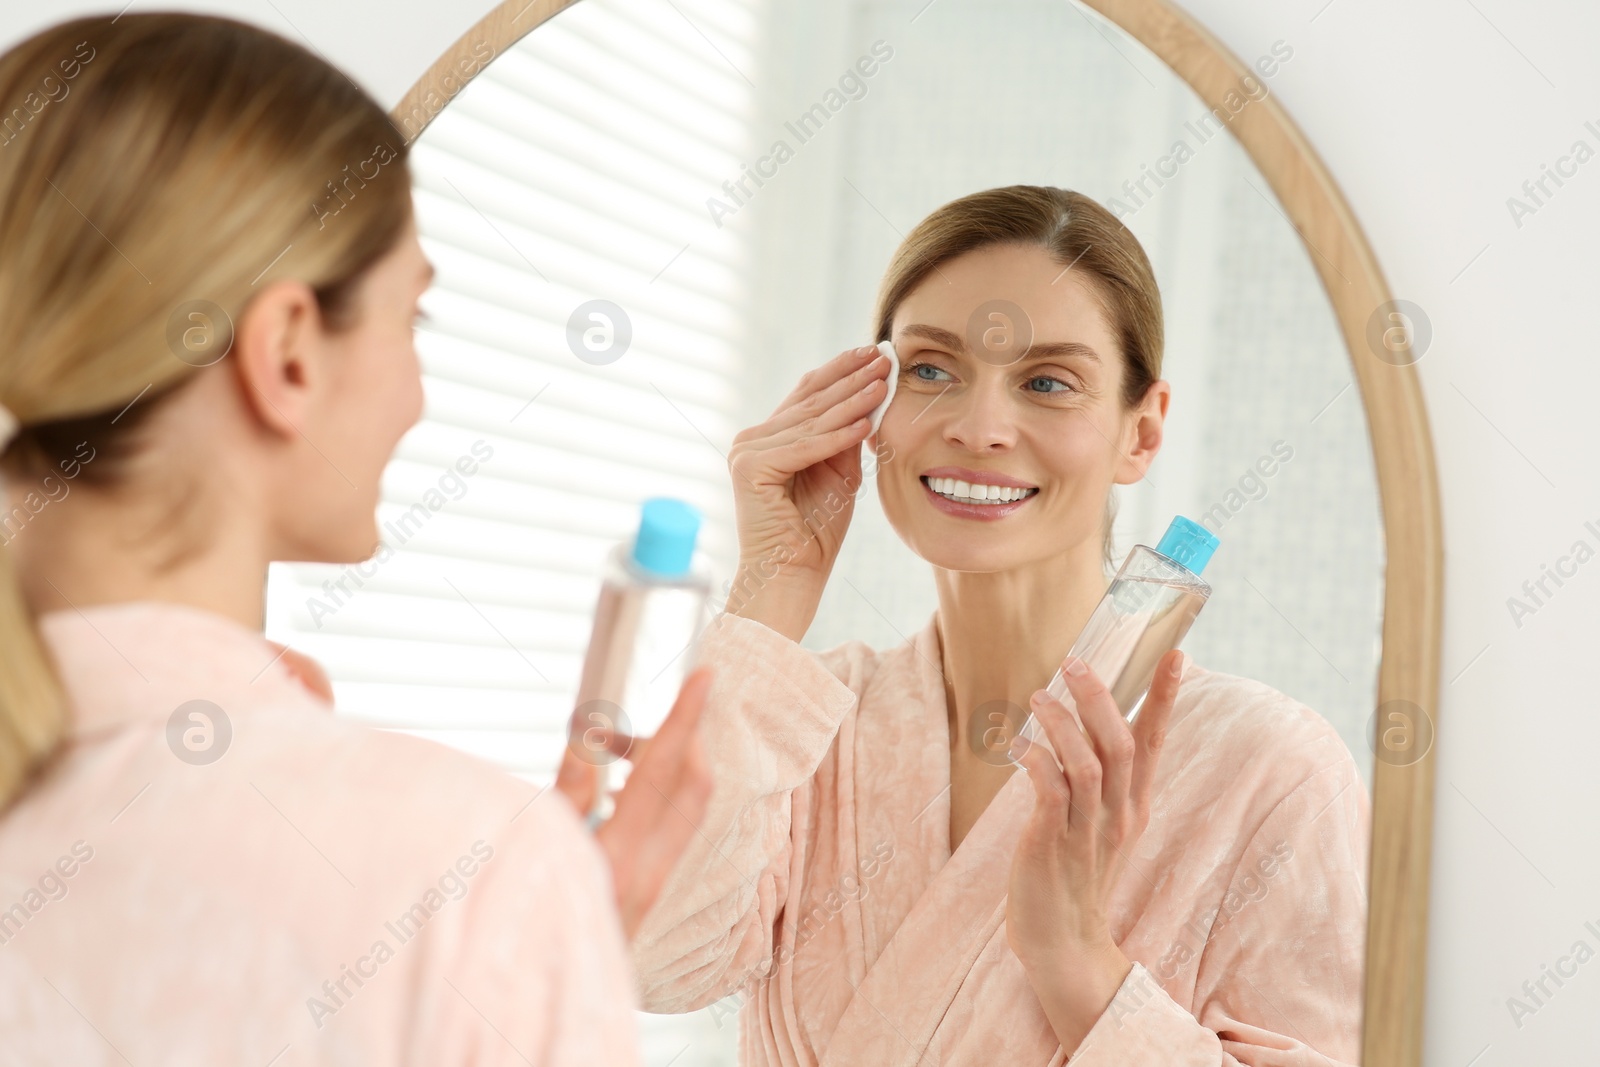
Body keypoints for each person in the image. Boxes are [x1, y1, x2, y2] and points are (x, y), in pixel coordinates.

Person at [0, 14, 710, 1064]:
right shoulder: (457, 869)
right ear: (286, 351)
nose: (418, 395)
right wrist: (529, 948)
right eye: (411, 318)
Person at [630, 186, 1369, 1065]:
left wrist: (1077, 962)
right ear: (872, 410)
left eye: (1048, 382)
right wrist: (776, 580)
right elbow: (657, 965)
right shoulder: (806, 719)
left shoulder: (1269, 769)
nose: (978, 428)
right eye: (931, 371)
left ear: (1142, 431)